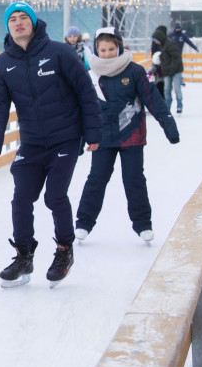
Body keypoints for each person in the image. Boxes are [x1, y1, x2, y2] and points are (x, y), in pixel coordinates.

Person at [0, 2, 102, 288]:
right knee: (21, 197)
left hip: (66, 137)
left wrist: (94, 132)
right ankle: (24, 255)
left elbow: (86, 92)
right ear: (8, 27)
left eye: (24, 17)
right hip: (33, 142)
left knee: (54, 195)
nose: (18, 22)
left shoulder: (59, 53)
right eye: (12, 19)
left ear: (34, 23)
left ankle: (64, 250)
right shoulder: (3, 64)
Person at [75, 27, 180, 243]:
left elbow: (153, 100)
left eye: (111, 49)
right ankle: (83, 223)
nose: (106, 53)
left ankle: (143, 225)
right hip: (103, 137)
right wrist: (80, 138)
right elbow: (83, 108)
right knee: (96, 179)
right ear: (96, 49)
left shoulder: (134, 71)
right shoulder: (92, 75)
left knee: (134, 180)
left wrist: (169, 125)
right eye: (102, 50)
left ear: (119, 46)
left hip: (132, 136)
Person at [151, 27, 184, 114]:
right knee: (166, 90)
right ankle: (167, 107)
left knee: (177, 89)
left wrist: (172, 70)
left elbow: (176, 58)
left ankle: (179, 106)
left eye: (156, 40)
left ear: (159, 38)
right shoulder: (163, 45)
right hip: (167, 71)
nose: (155, 42)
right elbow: (165, 58)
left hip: (176, 71)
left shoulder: (171, 44)